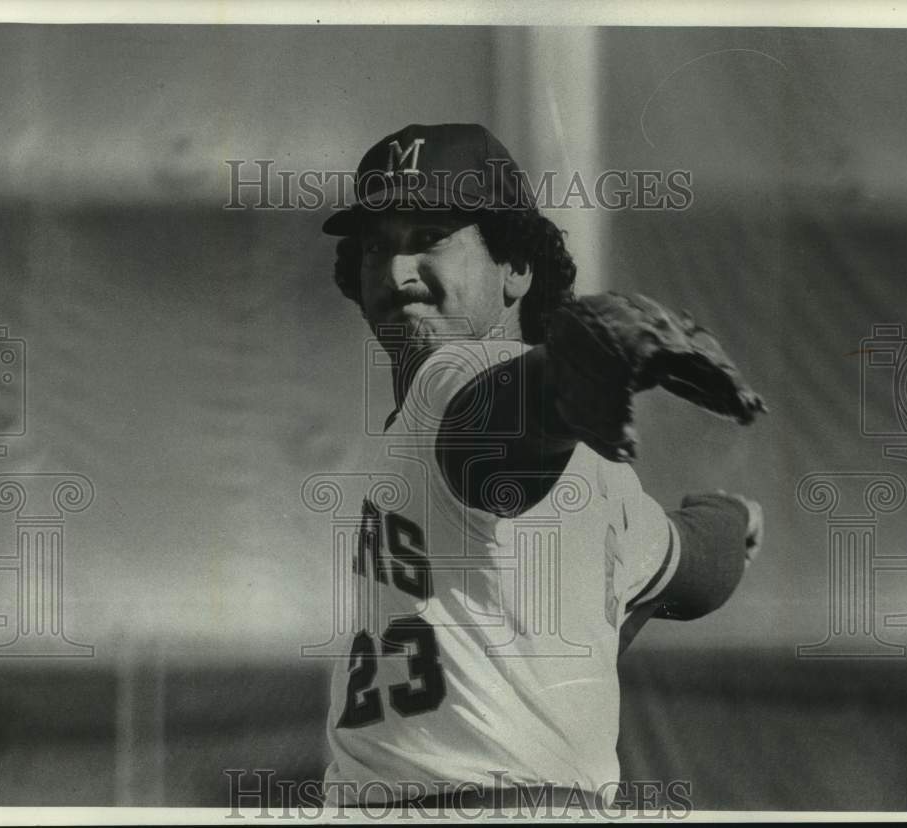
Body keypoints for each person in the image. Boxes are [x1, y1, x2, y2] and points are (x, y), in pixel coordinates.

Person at [318, 122, 764, 812]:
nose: (397, 272)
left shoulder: (457, 376)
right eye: (377, 245)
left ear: (515, 266)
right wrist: (730, 518)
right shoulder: (601, 476)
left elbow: (501, 417)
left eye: (431, 236)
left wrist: (568, 373)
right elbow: (701, 570)